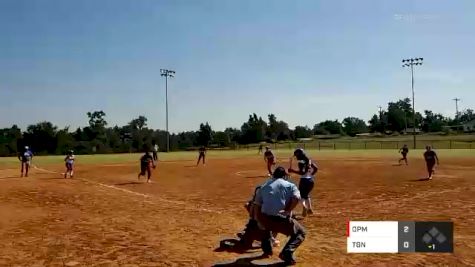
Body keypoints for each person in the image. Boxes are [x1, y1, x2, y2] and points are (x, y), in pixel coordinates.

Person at [254, 166, 306, 265]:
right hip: (280, 219)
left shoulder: (263, 186)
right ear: (284, 176)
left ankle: (267, 251)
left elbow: (257, 205)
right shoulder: (290, 185)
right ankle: (287, 253)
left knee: (266, 227)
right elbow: (296, 198)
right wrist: (288, 210)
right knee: (301, 233)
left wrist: (258, 219)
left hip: (265, 218)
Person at [288, 148, 318, 217]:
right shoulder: (308, 160)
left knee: (302, 195)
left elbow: (302, 172)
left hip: (304, 181)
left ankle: (304, 206)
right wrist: (311, 175)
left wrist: (292, 171)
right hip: (310, 181)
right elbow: (316, 168)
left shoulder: (301, 162)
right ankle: (310, 208)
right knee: (306, 194)